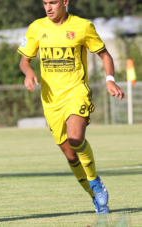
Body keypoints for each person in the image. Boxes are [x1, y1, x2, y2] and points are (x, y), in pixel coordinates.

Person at [18, 0, 124, 214]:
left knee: (75, 138)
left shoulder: (83, 26)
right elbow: (24, 60)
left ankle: (95, 180)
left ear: (65, 2)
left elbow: (104, 54)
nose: (48, 8)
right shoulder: (37, 27)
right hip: (50, 100)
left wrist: (110, 79)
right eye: (45, 3)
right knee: (70, 154)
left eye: (53, 3)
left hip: (77, 92)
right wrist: (28, 72)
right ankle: (94, 196)